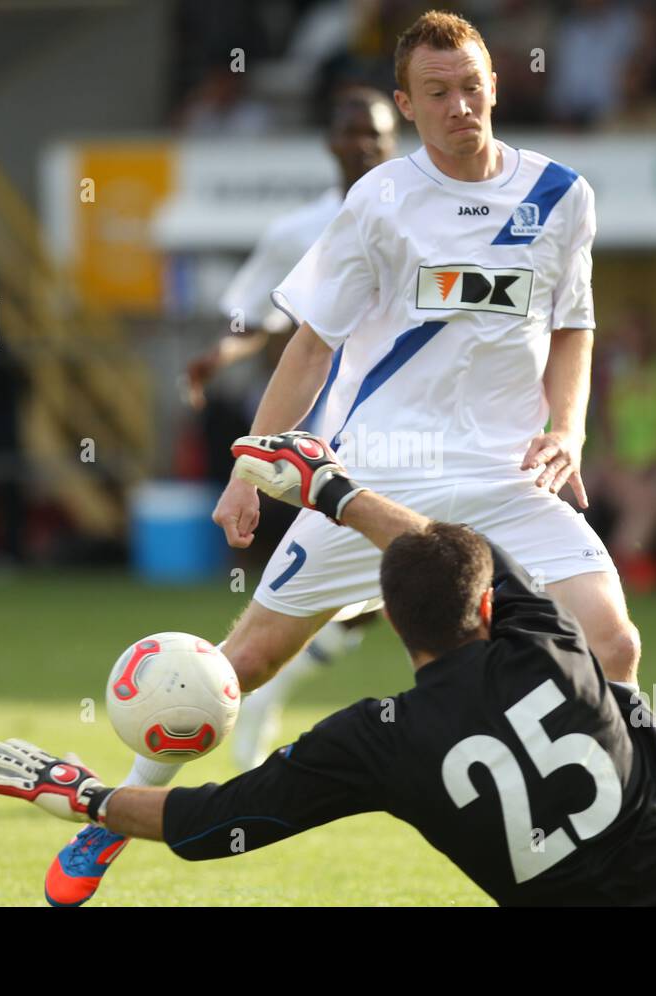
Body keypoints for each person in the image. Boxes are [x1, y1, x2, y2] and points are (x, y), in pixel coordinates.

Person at [40, 9, 644, 906]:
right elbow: (310, 348)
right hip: (375, 480)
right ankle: (111, 819)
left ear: (494, 85)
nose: (460, 105)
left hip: (508, 480)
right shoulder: (381, 201)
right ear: (409, 102)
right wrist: (252, 467)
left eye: (472, 85)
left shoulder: (563, 195)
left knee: (613, 644)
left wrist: (570, 430)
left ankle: (634, 828)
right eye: (437, 92)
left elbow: (573, 330)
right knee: (235, 670)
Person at [0, 430, 656, 906]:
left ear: (387, 624)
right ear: (488, 606)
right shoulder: (546, 639)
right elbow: (454, 551)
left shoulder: (375, 741)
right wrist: (334, 489)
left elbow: (214, 822)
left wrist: (84, 791)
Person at [185, 85, 398, 772]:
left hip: (411, 433)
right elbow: (259, 318)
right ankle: (210, 709)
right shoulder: (298, 231)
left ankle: (256, 695)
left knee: (388, 595)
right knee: (367, 590)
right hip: (315, 436)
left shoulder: (425, 214)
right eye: (351, 131)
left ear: (397, 137)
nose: (363, 143)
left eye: (376, 132)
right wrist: (223, 354)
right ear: (330, 142)